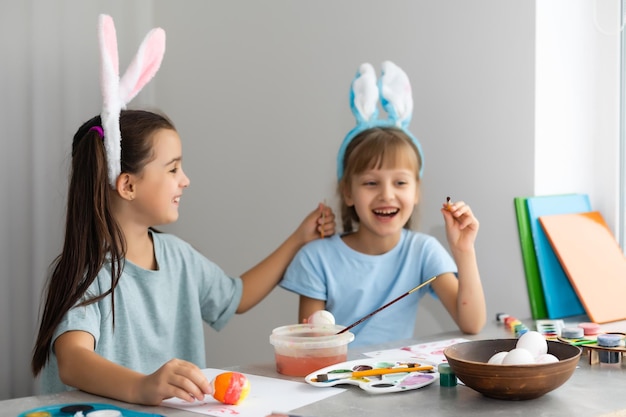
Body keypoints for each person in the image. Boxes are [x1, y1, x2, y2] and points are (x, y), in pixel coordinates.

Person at [31, 15, 335, 406]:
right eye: (173, 169)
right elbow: (73, 362)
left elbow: (235, 296)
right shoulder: (86, 270)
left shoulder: (178, 258)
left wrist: (299, 238)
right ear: (128, 185)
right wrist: (143, 385)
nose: (185, 180)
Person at [280, 61, 485, 347]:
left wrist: (464, 250)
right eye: (370, 183)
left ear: (416, 192)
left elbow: (472, 323)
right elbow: (311, 349)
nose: (387, 195)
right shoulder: (316, 258)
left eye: (400, 183)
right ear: (348, 193)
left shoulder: (422, 251)